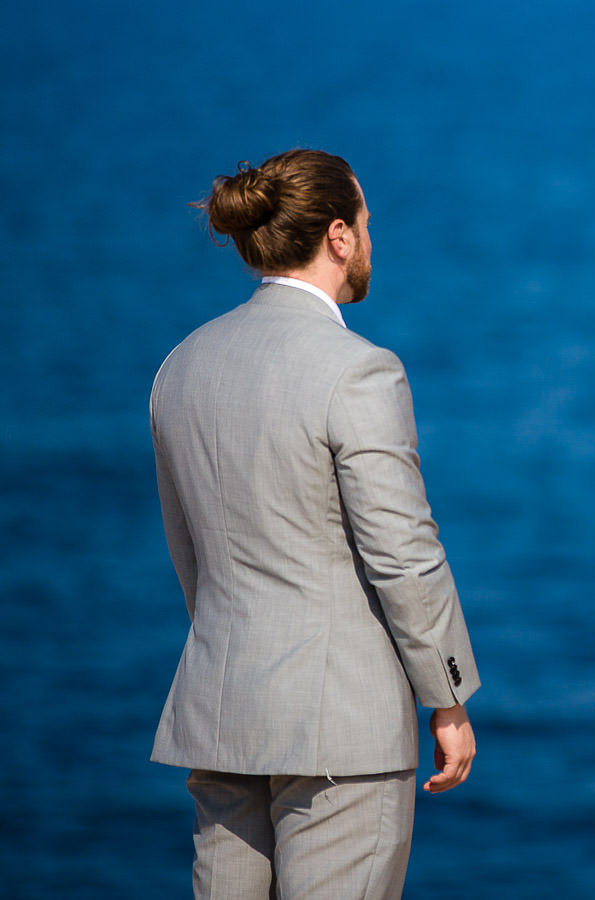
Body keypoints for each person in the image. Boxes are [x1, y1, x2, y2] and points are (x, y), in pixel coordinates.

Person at [150, 149, 481, 899]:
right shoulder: (360, 369)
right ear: (338, 236)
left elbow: (189, 552)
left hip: (222, 711)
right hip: (344, 731)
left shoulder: (181, 366)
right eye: (365, 223)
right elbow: (403, 554)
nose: (370, 239)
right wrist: (448, 696)